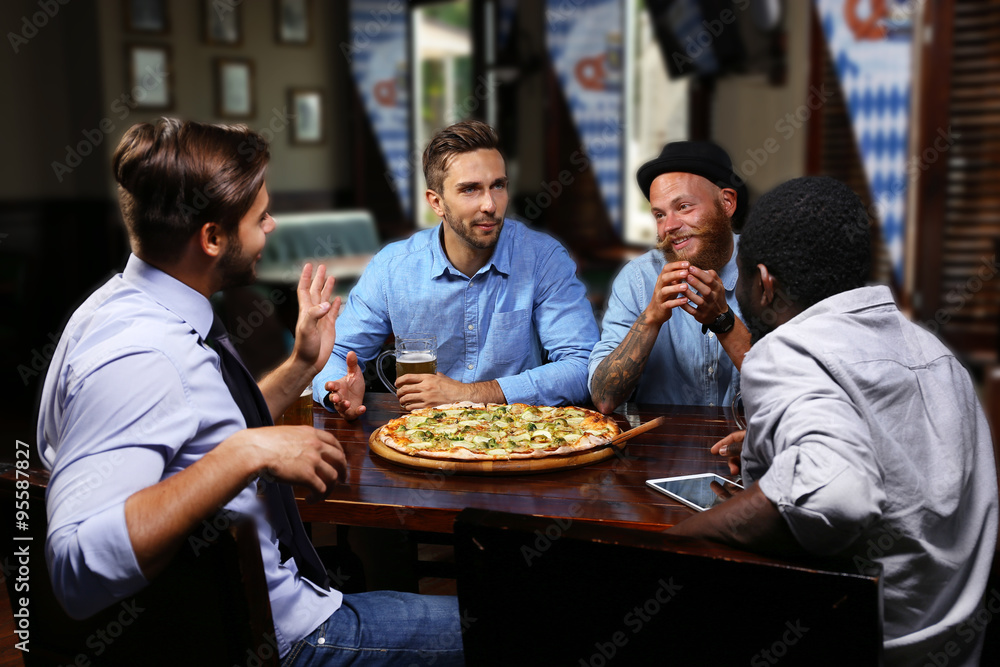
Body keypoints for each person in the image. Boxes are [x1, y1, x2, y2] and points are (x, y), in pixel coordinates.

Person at [38, 118, 464, 665]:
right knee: (517, 630)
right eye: (259, 217)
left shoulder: (118, 310)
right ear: (213, 238)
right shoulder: (144, 356)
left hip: (268, 614)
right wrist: (245, 453)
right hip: (279, 641)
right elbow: (76, 570)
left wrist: (302, 364)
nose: (272, 225)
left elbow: (199, 425)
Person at [670, 176, 998, 665]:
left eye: (741, 281)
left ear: (764, 282)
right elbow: (905, 454)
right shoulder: (932, 352)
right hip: (958, 646)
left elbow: (837, 497)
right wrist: (779, 445)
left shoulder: (787, 351)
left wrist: (678, 537)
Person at [315, 119, 598, 416]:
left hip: (520, 438)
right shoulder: (393, 268)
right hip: (420, 438)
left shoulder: (543, 258)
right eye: (470, 190)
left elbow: (582, 367)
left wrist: (469, 394)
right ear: (436, 202)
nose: (490, 204)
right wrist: (338, 388)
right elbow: (335, 353)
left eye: (498, 186)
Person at [588, 141, 753, 413]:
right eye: (660, 214)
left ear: (727, 202)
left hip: (748, 449)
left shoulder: (765, 269)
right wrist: (650, 318)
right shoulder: (638, 279)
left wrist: (722, 319)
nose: (670, 227)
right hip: (660, 449)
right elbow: (604, 399)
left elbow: (792, 391)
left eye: (684, 207)